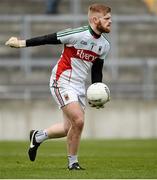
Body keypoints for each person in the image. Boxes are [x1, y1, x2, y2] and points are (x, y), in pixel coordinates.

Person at [5, 3, 112, 170]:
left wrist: (96, 94)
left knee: (68, 128)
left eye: (110, 19)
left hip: (78, 87)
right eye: (106, 19)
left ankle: (38, 136)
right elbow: (47, 38)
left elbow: (97, 72)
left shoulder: (104, 45)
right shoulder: (77, 34)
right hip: (61, 81)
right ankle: (73, 163)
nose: (110, 22)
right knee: (79, 121)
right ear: (95, 19)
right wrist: (21, 43)